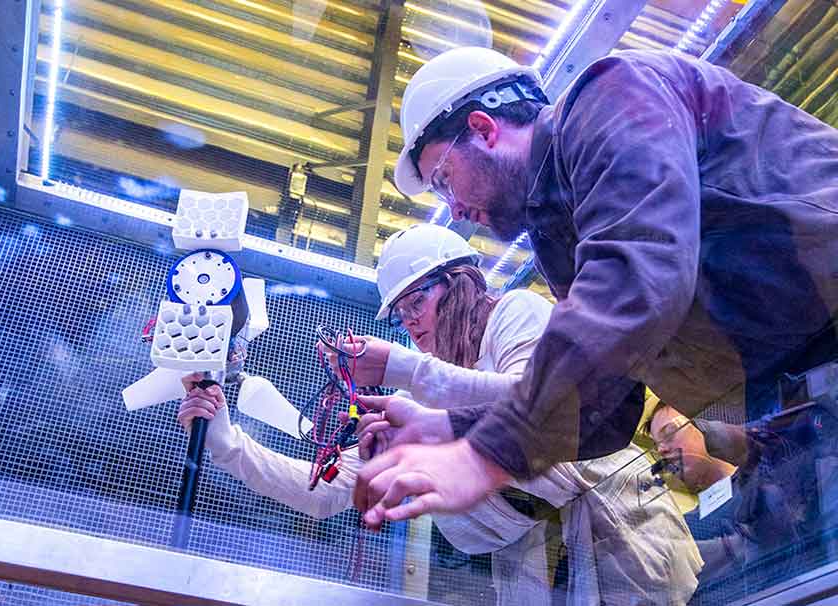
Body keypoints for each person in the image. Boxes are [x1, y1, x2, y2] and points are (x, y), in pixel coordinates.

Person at [353, 46, 838, 527]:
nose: (454, 209)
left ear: (484, 129)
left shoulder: (611, 95)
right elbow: (605, 411)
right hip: (800, 401)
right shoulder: (556, 235)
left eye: (444, 179)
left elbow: (640, 272)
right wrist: (447, 428)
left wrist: (485, 455)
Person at [179, 223, 701, 605]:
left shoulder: (514, 315)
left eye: (415, 305)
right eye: (400, 315)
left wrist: (408, 370)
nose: (409, 324)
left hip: (619, 531)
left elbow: (537, 404)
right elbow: (327, 492)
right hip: (537, 564)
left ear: (460, 282)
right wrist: (228, 443)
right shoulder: (425, 401)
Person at [645, 401, 820, 600]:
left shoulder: (772, 477)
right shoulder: (685, 527)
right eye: (656, 446)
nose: (662, 450)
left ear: (709, 425)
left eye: (669, 433)